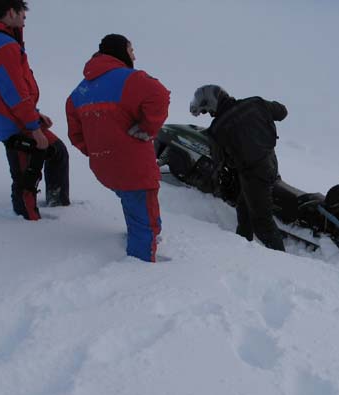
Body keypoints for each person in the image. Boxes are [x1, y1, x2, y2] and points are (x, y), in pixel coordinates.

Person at [66, 34, 170, 262]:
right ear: (121, 51)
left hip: (104, 167)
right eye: (131, 50)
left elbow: (75, 135)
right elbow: (160, 95)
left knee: (133, 200)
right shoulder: (131, 79)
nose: (134, 56)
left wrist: (97, 151)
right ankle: (141, 263)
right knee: (142, 208)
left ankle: (148, 234)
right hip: (134, 166)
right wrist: (147, 128)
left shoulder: (78, 93)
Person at [0, 0, 70, 221]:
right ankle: (26, 223)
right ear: (11, 12)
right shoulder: (1, 44)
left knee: (57, 152)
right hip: (14, 120)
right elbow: (13, 90)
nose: (25, 17)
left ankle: (57, 206)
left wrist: (35, 115)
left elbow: (8, 88)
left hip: (11, 115)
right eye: (23, 12)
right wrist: (34, 127)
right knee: (25, 176)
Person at [190, 85, 287, 252]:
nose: (209, 114)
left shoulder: (217, 129)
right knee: (244, 207)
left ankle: (284, 261)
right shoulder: (255, 103)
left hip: (253, 175)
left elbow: (219, 160)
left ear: (212, 103)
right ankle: (242, 246)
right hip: (271, 163)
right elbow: (282, 112)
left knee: (262, 224)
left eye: (207, 111)